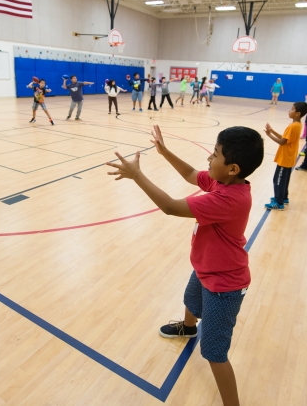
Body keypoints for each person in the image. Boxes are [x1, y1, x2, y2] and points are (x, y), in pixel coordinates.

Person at [106, 124, 263, 406]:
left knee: (214, 352)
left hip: (225, 285)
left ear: (233, 168)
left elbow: (170, 206)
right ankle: (188, 328)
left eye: (215, 154)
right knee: (191, 299)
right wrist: (165, 151)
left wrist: (137, 175)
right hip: (206, 266)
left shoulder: (226, 199)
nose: (209, 159)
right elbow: (192, 174)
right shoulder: (224, 181)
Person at [263, 102, 307, 210]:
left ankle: (279, 203)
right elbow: (285, 138)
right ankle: (283, 197)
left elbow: (282, 142)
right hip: (289, 158)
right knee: (284, 179)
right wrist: (272, 131)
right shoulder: (298, 125)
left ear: (298, 113)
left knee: (277, 180)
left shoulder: (292, 126)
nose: (290, 111)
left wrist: (269, 135)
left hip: (285, 158)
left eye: (292, 109)